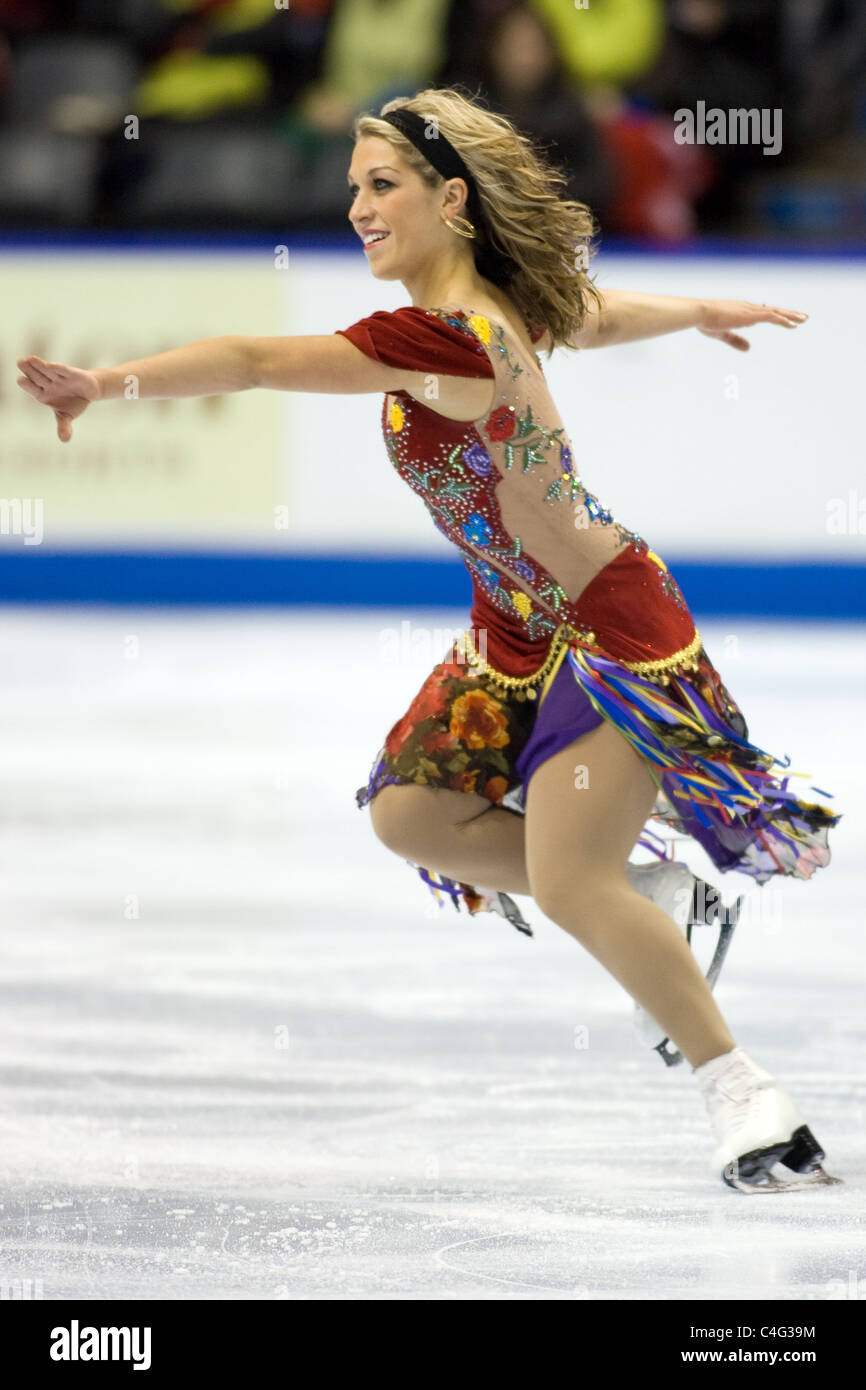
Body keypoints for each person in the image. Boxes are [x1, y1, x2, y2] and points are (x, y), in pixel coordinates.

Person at [16, 87, 842, 1193]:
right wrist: (690, 310)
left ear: (450, 200)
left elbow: (258, 358)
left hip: (605, 630)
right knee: (411, 811)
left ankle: (744, 1095)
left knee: (564, 881)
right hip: (510, 633)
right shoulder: (494, 302)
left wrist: (108, 383)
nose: (356, 206)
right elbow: (586, 314)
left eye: (381, 185)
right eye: (353, 185)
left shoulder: (441, 335)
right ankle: (656, 898)